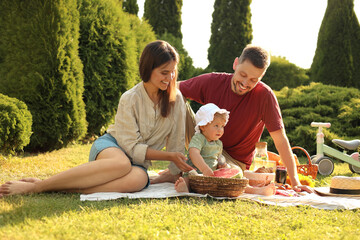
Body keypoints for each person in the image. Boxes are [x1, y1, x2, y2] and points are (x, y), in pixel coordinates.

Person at [0, 40, 193, 197]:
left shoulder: (176, 100)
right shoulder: (130, 98)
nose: (170, 77)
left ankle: (52, 186)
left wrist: (175, 172)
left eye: (173, 71)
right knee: (122, 163)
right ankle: (36, 188)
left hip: (137, 164)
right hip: (113, 148)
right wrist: (168, 156)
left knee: (140, 180)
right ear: (148, 69)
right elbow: (131, 148)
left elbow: (176, 143)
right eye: (164, 72)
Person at [153, 44, 313, 193]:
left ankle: (185, 173)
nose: (244, 83)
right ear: (236, 64)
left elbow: (280, 140)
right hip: (202, 142)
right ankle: (177, 168)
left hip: (232, 161)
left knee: (230, 177)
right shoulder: (213, 81)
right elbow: (172, 88)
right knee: (176, 98)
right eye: (242, 75)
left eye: (253, 80)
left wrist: (296, 181)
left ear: (261, 77)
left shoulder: (265, 96)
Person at [174, 103, 276, 196]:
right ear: (203, 126)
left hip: (212, 177)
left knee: (236, 181)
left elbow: (217, 159)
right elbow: (193, 153)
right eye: (216, 126)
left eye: (222, 126)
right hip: (197, 174)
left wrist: (222, 165)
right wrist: (204, 169)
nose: (220, 129)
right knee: (188, 176)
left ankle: (257, 191)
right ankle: (185, 188)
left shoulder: (218, 143)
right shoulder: (199, 138)